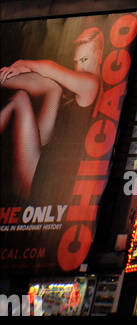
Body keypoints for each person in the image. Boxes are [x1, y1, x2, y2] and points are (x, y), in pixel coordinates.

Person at [0, 26, 103, 199]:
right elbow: (46, 78)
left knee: (21, 99)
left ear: (99, 56)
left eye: (85, 59)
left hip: (41, 179)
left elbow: (53, 68)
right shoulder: (78, 91)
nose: (80, 67)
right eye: (77, 62)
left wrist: (24, 64)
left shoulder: (91, 84)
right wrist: (21, 69)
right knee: (52, 87)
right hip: (43, 158)